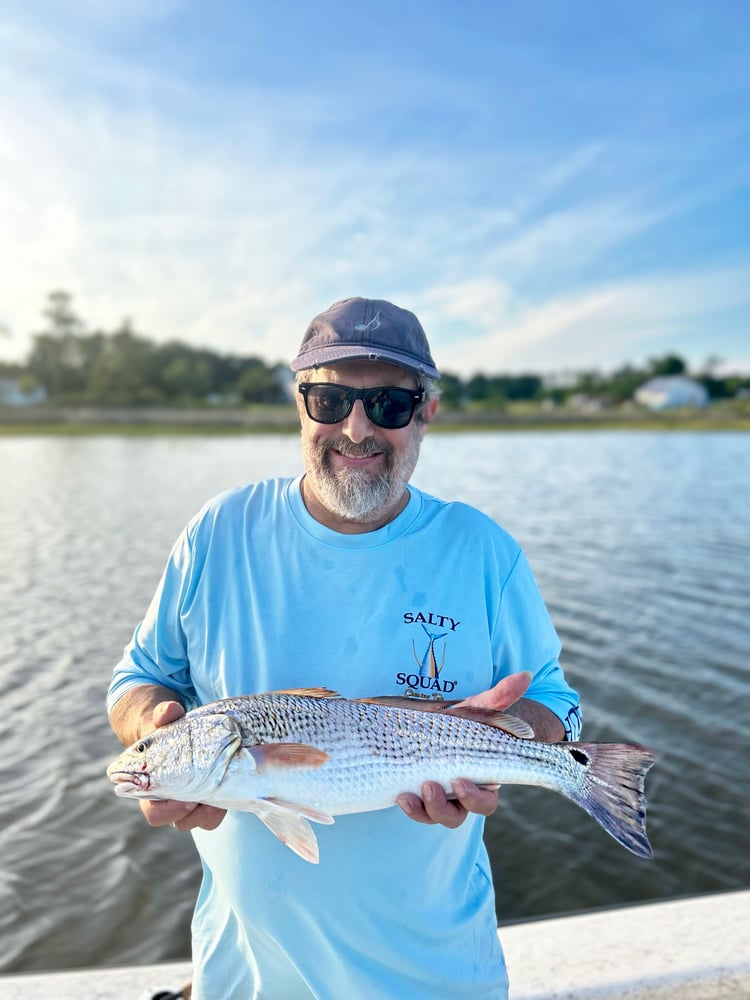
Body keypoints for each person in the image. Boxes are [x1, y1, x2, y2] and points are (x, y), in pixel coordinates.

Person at [107, 296, 582, 1000]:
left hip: (435, 976)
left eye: (389, 403)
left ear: (427, 412)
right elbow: (139, 678)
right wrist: (158, 733)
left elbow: (557, 705)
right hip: (245, 975)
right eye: (328, 399)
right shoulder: (218, 531)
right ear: (300, 404)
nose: (355, 428)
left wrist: (516, 735)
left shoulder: (482, 550)